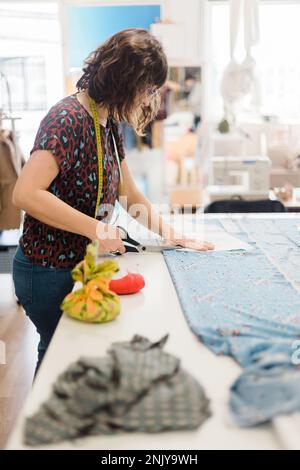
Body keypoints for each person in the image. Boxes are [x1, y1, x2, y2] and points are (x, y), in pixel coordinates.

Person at [12, 28, 214, 373]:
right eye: (148, 88)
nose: (150, 97)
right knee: (58, 361)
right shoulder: (67, 120)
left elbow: (128, 192)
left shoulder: (106, 119)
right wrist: (96, 228)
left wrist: (170, 233)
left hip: (77, 264)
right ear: (126, 81)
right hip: (45, 270)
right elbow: (25, 194)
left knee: (74, 359)